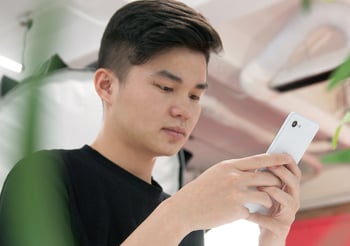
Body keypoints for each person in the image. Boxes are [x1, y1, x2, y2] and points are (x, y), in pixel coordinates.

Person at [0, 0, 301, 245]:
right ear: (107, 86)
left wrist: (272, 238)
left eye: (195, 96)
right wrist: (178, 215)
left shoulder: (189, 224)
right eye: (166, 88)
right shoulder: (43, 177)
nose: (184, 110)